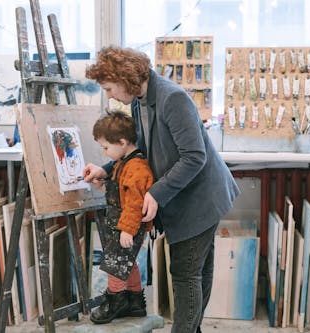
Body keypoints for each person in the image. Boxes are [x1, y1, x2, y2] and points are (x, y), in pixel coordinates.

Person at [83, 45, 240, 333]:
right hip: (184, 193)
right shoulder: (138, 102)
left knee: (185, 272)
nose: (109, 95)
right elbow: (140, 148)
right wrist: (106, 170)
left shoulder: (172, 99)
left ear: (125, 77)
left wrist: (155, 193)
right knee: (195, 271)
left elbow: (194, 157)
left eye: (109, 88)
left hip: (200, 197)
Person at [88, 111, 155, 324]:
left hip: (127, 227)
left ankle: (115, 301)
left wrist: (127, 229)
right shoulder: (123, 161)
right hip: (121, 224)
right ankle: (135, 302)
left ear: (123, 142)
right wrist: (104, 185)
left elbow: (135, 202)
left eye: (106, 147)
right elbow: (120, 191)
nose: (104, 152)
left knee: (115, 264)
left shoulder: (136, 167)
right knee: (127, 262)